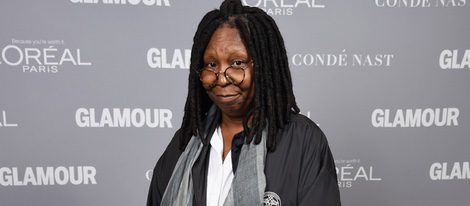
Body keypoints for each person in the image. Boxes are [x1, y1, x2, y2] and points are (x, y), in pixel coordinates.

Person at [147, 0, 341, 205]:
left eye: (237, 63)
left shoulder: (303, 141)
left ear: (264, 66)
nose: (221, 78)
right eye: (211, 65)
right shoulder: (183, 144)